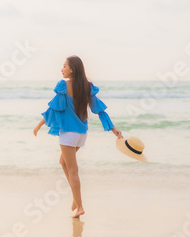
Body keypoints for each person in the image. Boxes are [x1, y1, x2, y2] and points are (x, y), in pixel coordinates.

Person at [33, 55, 123, 218]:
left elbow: (53, 109)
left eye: (64, 66)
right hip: (81, 133)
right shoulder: (87, 86)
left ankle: (79, 205)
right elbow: (99, 110)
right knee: (63, 162)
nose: (62, 69)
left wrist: (39, 124)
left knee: (73, 171)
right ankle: (76, 199)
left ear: (72, 69)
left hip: (68, 133)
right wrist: (113, 129)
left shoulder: (63, 85)